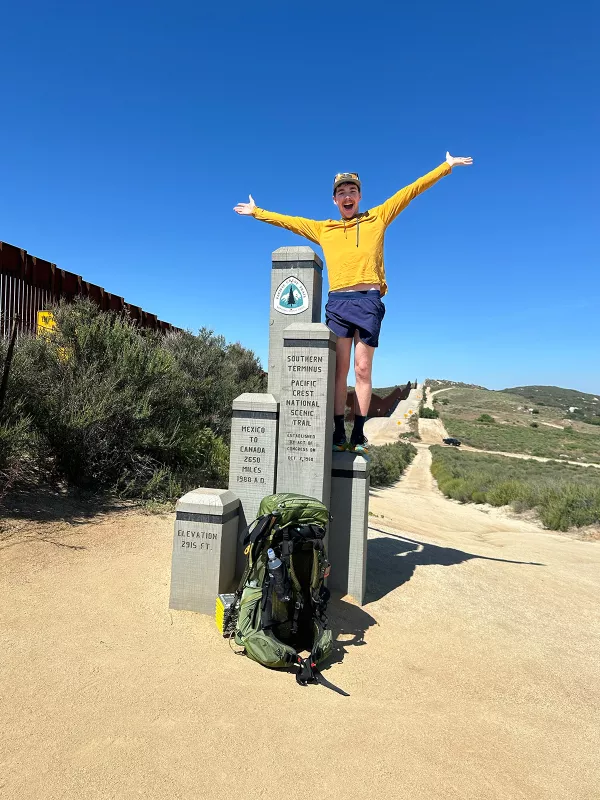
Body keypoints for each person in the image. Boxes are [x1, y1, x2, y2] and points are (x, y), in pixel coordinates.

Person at [234, 151, 473, 454]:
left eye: (352, 191)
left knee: (362, 369)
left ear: (359, 196)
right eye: (341, 192)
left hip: (369, 301)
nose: (347, 196)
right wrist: (258, 212)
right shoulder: (325, 229)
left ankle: (358, 434)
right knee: (340, 370)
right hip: (339, 303)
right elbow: (290, 222)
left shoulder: (378, 217)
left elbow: (411, 191)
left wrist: (446, 166)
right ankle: (337, 432)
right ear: (335, 200)